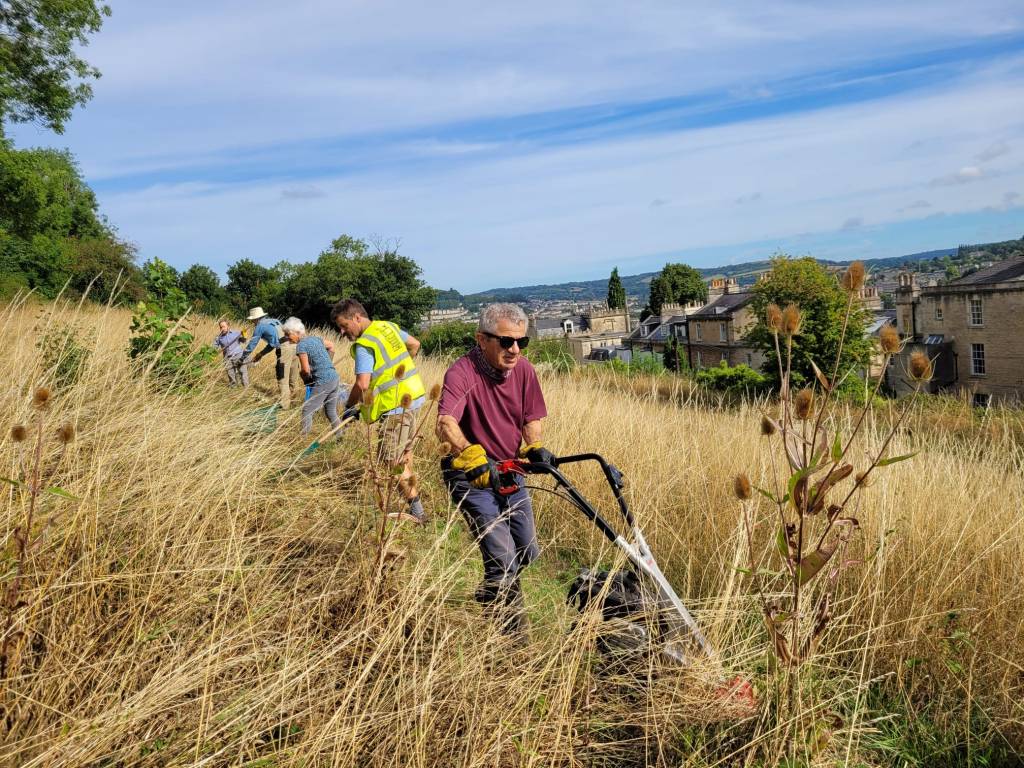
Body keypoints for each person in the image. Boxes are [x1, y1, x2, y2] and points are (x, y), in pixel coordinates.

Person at [436, 302, 555, 638]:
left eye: (521, 341)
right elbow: (445, 423)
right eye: (505, 341)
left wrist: (533, 446)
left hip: (510, 469)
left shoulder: (524, 370)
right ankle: (512, 638)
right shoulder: (462, 373)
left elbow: (531, 416)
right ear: (482, 339)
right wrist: (470, 453)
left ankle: (492, 589)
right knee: (502, 557)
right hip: (471, 474)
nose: (514, 349)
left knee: (527, 551)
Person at [331, 298, 427, 524]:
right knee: (405, 453)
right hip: (414, 396)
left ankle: (418, 512)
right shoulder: (387, 327)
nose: (342, 332)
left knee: (391, 459)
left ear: (357, 317)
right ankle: (411, 496)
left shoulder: (365, 345)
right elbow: (415, 344)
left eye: (344, 325)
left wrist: (350, 406)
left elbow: (362, 383)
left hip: (395, 406)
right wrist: (399, 373)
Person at [281, 317, 342, 435]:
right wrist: (327, 364)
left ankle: (303, 439)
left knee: (307, 410)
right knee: (330, 411)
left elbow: (305, 370)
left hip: (324, 381)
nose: (286, 337)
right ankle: (340, 437)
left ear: (297, 332)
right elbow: (331, 345)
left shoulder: (301, 346)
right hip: (334, 378)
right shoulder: (315, 339)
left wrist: (305, 378)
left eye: (288, 334)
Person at [242, 307, 302, 409]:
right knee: (293, 378)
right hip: (296, 347)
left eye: (252, 320)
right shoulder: (275, 321)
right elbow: (276, 342)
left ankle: (285, 406)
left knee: (282, 378)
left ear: (256, 319)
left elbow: (252, 344)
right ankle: (294, 403)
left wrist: (243, 356)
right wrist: (261, 354)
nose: (252, 322)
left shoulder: (259, 326)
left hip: (284, 351)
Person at [213, 319, 249, 387]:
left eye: (223, 326)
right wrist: (213, 353)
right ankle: (233, 387)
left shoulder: (236, 333)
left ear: (228, 326)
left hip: (238, 355)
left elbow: (244, 341)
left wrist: (244, 335)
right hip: (227, 358)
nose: (222, 329)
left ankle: (246, 388)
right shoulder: (218, 337)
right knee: (230, 373)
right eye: (220, 327)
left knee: (243, 371)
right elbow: (214, 347)